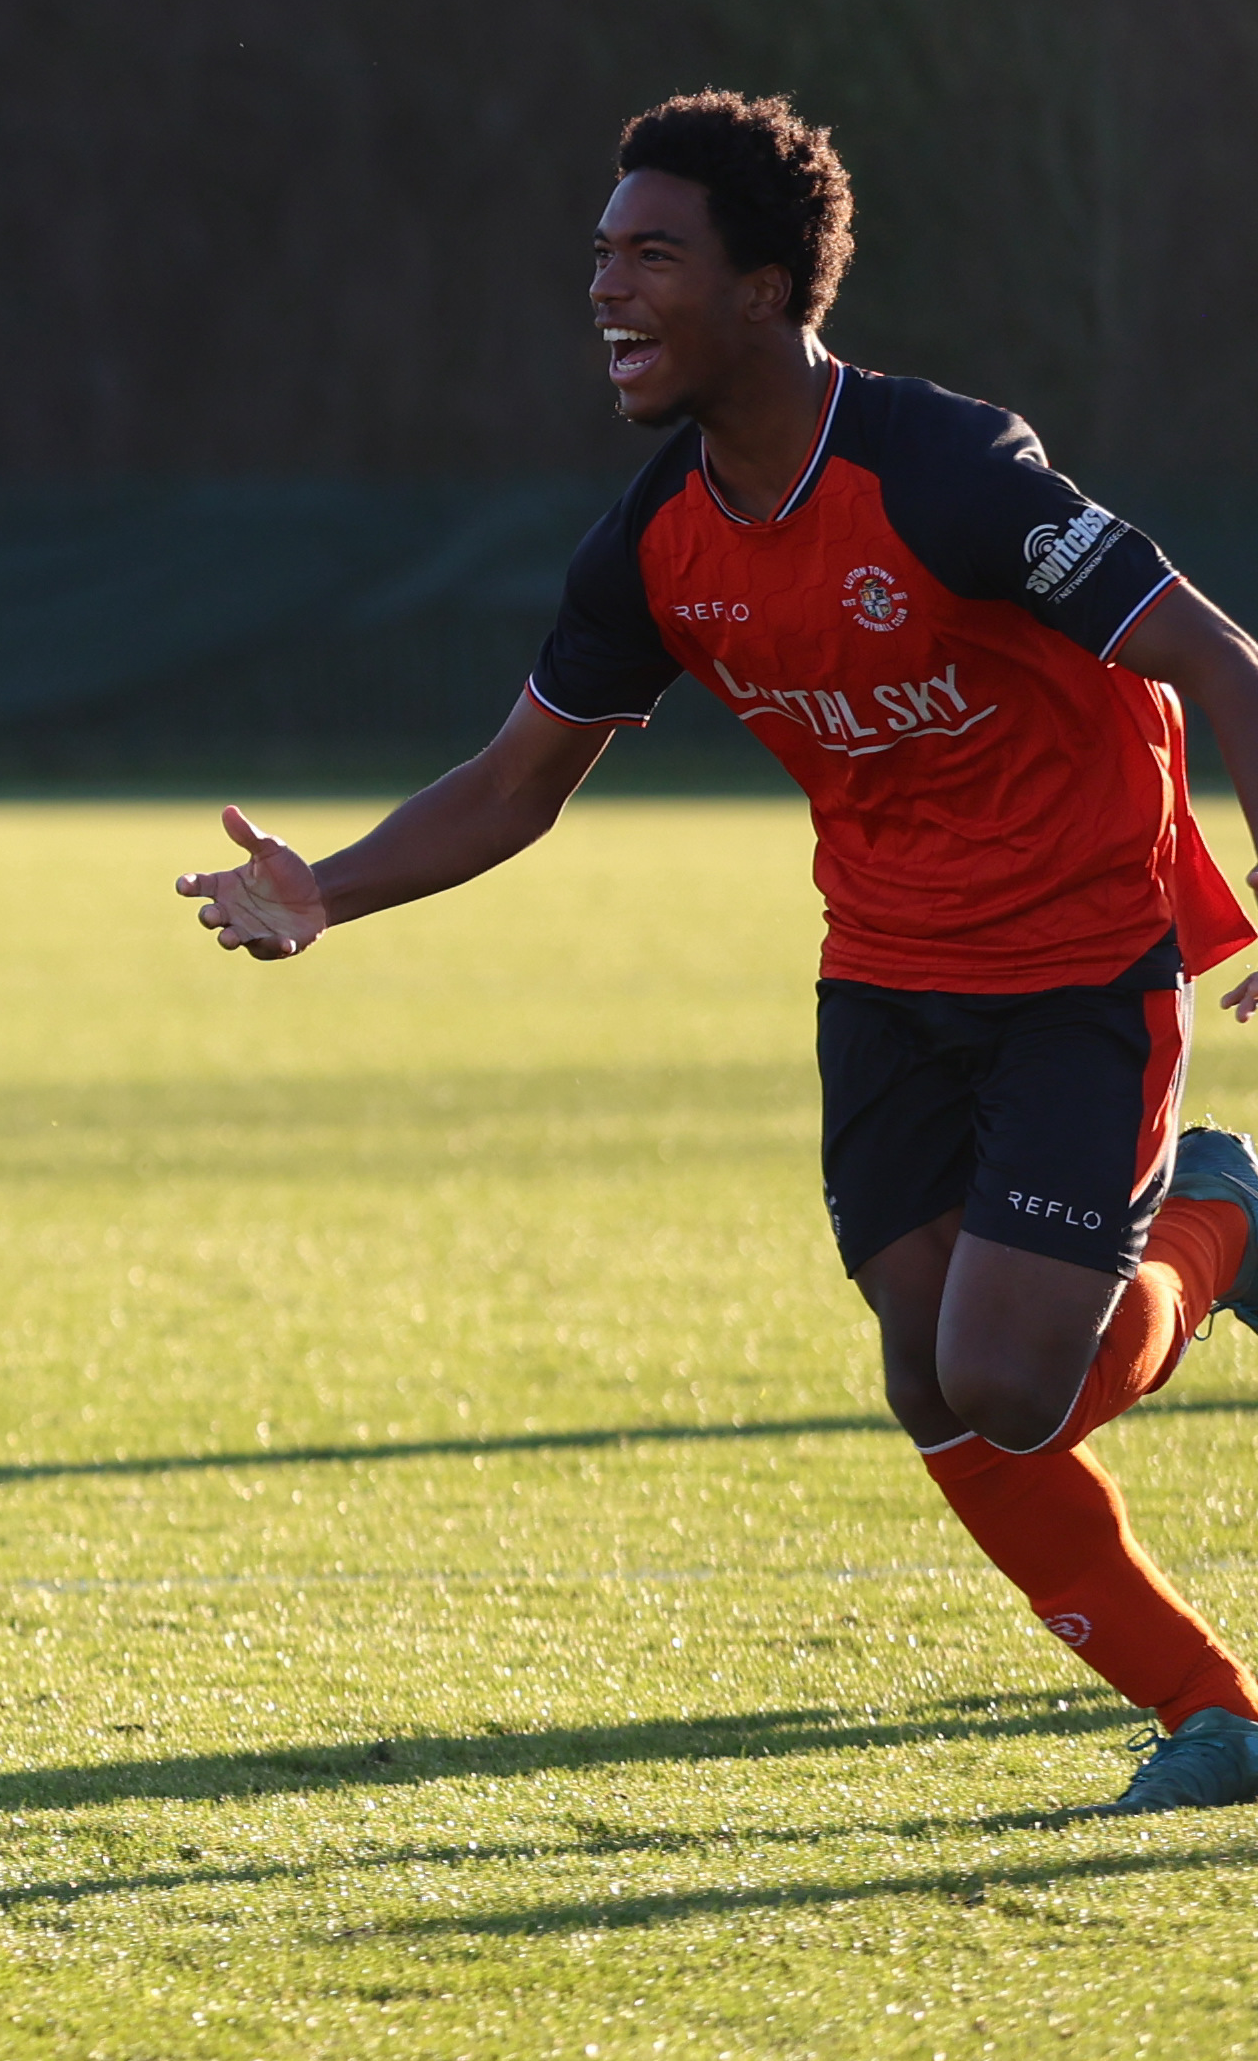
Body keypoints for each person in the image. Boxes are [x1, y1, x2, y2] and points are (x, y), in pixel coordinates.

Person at [181, 91, 1258, 1816]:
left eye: (651, 255)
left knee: (1008, 1374)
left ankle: (1224, 1214)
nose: (607, 287)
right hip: (889, 984)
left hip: (1078, 966)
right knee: (927, 1370)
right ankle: (1212, 1707)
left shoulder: (948, 473)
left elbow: (1221, 660)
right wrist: (332, 891)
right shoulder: (660, 539)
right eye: (601, 254)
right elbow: (520, 781)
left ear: (766, 290)